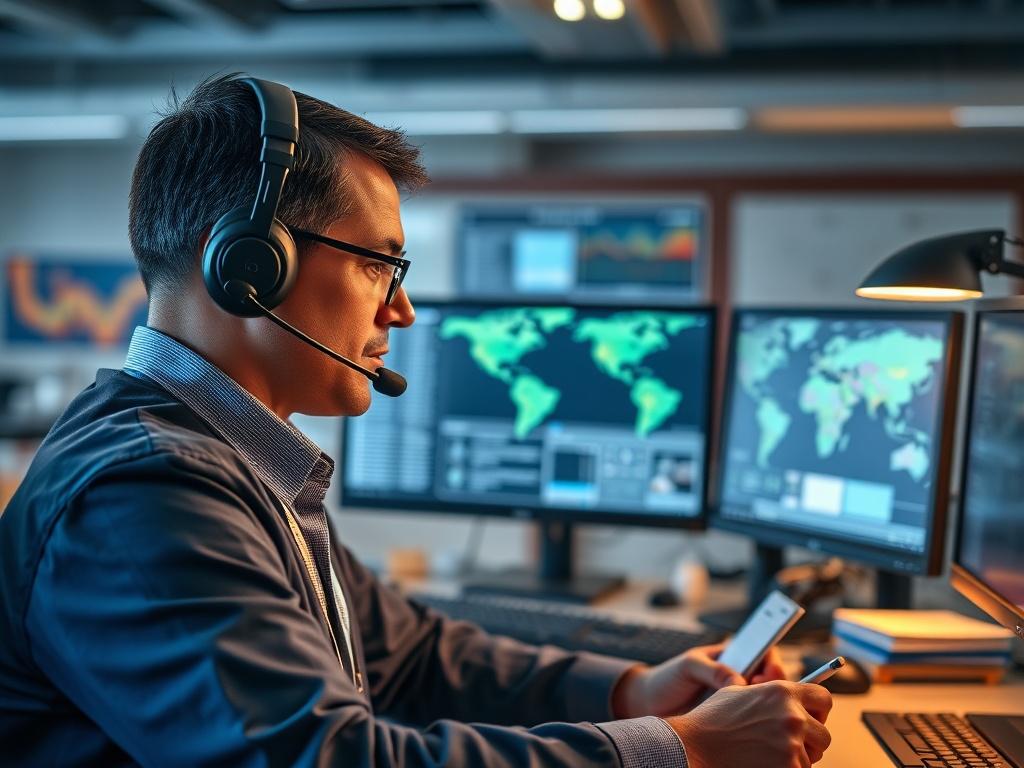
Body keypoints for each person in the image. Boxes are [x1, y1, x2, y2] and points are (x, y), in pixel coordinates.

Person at [0, 74, 832, 767]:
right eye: (378, 264)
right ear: (249, 266)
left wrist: (632, 692)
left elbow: (411, 652)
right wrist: (675, 749)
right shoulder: (142, 492)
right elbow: (327, 759)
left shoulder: (232, 461)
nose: (401, 308)